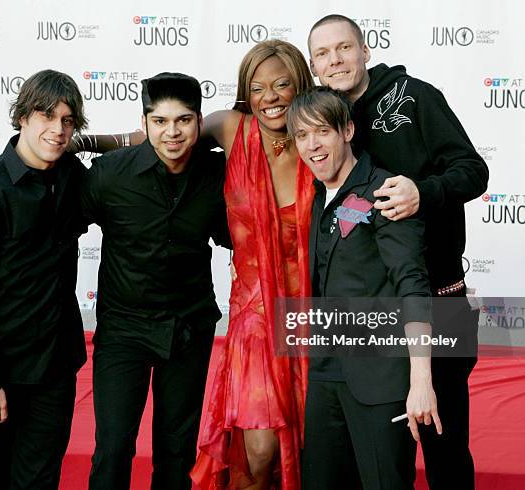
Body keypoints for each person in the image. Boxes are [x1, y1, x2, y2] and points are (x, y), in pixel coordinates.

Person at [74, 40, 316, 489]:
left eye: (282, 84)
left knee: (188, 449)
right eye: (259, 86)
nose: (271, 96)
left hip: (261, 318)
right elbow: (152, 139)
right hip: (186, 324)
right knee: (117, 450)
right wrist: (77, 142)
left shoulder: (311, 142)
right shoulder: (120, 172)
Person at [307, 14, 488, 489]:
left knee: (445, 452)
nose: (336, 60)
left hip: (437, 299)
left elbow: (474, 170)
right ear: (314, 67)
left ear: (366, 50)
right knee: (377, 465)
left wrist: (422, 192)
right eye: (323, 54)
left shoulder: (413, 96)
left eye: (344, 48)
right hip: (368, 321)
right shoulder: (325, 125)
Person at [81, 72, 231, 490]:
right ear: (144, 123)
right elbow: (57, 230)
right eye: (160, 121)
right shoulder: (110, 175)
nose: (172, 132)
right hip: (124, 330)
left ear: (199, 123)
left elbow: (235, 235)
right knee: (113, 448)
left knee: (176, 452)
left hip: (188, 328)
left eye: (183, 120)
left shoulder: (217, 173)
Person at [288, 85, 440, 489]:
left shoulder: (385, 190)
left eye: (322, 131)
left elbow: (412, 284)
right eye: (302, 136)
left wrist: (421, 381)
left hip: (381, 380)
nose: (312, 145)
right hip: (325, 374)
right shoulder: (318, 197)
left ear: (348, 131)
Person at [0, 69, 88, 490]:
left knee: (40, 482)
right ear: (22, 117)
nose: (58, 130)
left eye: (67, 121)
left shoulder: (71, 176)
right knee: (2, 481)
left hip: (55, 368)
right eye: (46, 116)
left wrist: (94, 142)